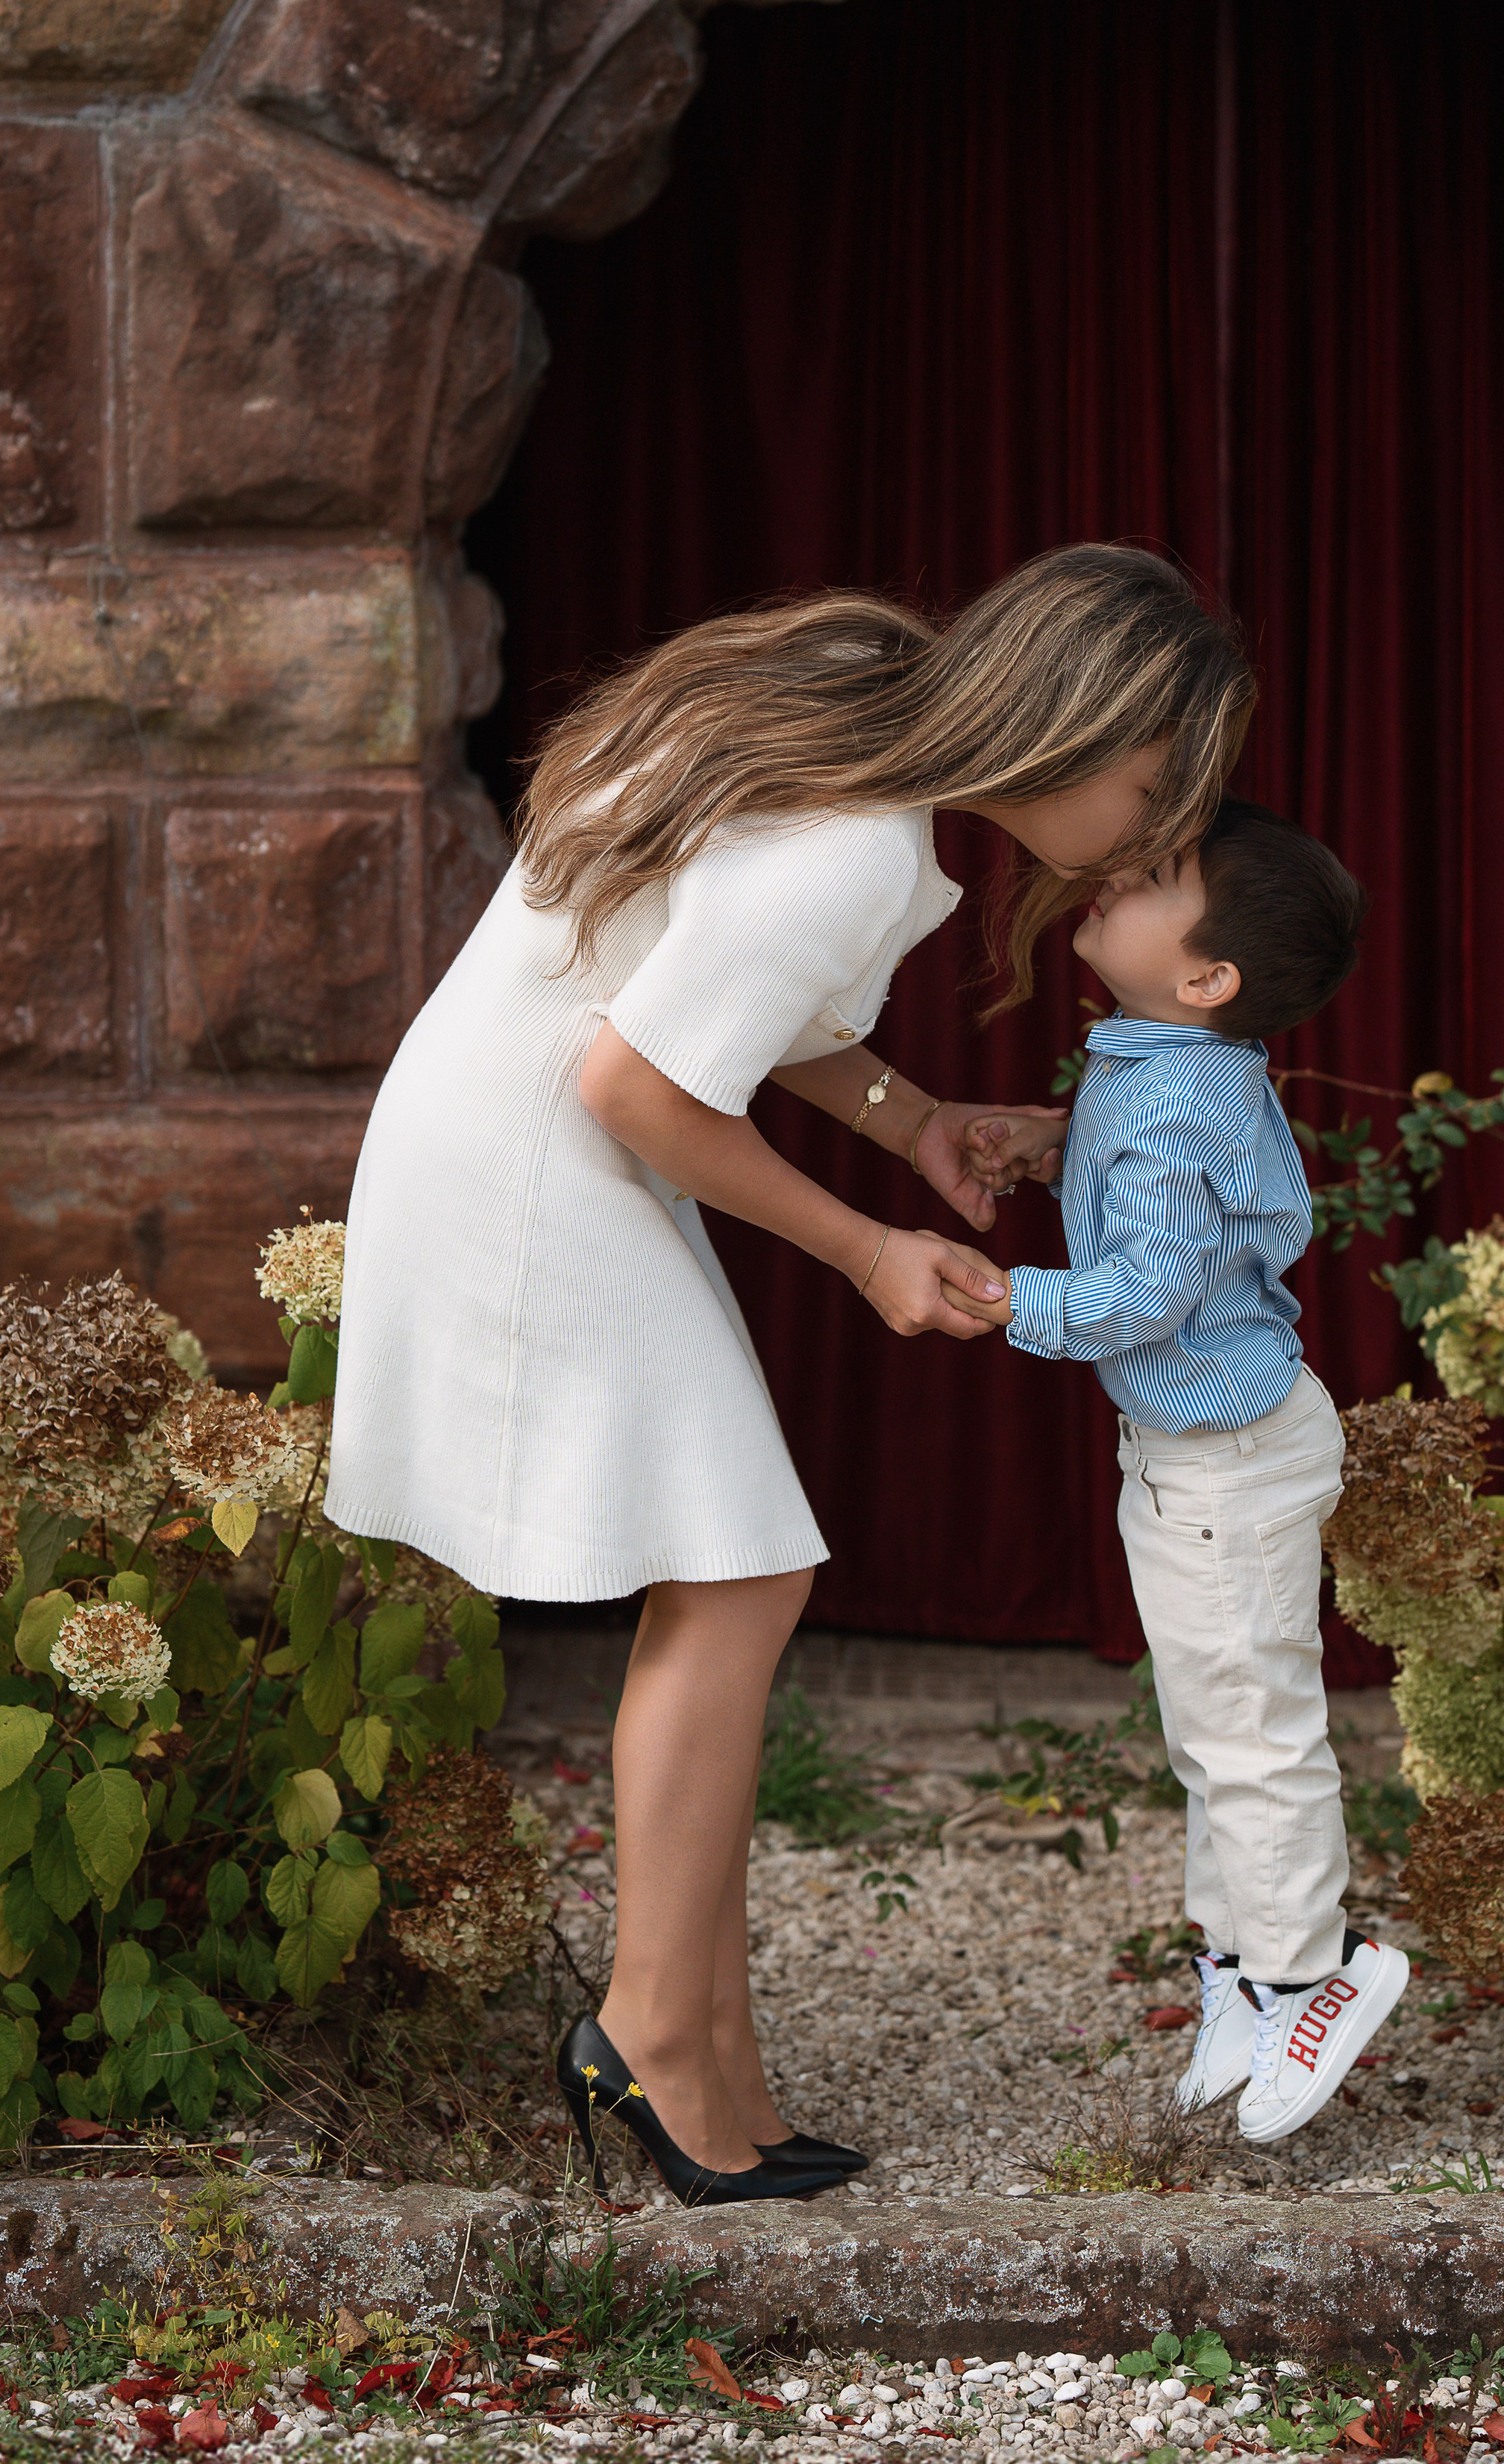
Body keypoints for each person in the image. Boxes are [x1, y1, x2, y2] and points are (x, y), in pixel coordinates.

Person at [324, 543, 1257, 2204]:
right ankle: (653, 2041)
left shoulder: (849, 696)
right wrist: (865, 1247)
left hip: (522, 1129)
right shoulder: (849, 844)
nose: (1150, 828)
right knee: (739, 1570)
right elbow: (636, 1083)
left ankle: (708, 2049)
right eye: (1146, 781)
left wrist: (920, 1130)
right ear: (1069, 724)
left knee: (740, 1568)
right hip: (540, 1163)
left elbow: (719, 999)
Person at [953, 798, 1408, 2142]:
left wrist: (1005, 1297)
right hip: (1205, 1449)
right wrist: (1053, 1144)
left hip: (1222, 1463)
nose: (1110, 876)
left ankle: (1317, 1975)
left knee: (1252, 1731)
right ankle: (1238, 1971)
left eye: (1150, 877)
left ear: (1208, 976)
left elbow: (1148, 1285)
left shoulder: (1168, 1103)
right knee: (1209, 1731)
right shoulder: (1164, 1065)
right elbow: (1168, 1188)